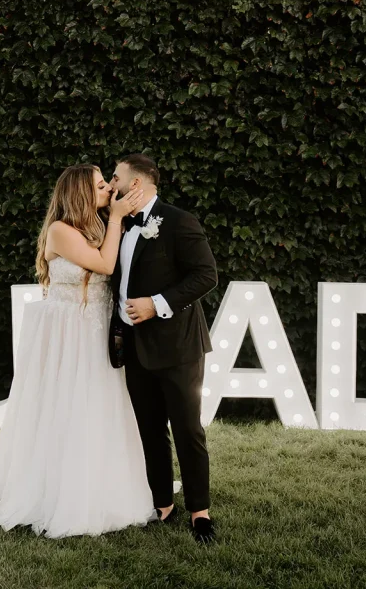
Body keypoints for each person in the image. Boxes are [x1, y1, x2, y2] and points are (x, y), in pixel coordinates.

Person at [0, 164, 154, 538]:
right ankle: (58, 490)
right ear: (80, 193)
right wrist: (117, 218)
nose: (109, 188)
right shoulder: (60, 230)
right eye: (100, 185)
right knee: (67, 407)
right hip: (68, 333)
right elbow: (105, 264)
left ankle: (105, 486)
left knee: (99, 405)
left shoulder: (97, 225)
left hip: (96, 329)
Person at [109, 153, 219, 544]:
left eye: (116, 177)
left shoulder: (178, 221)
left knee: (187, 429)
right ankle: (162, 503)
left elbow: (206, 275)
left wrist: (157, 304)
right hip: (134, 346)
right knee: (150, 430)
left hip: (178, 346)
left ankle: (200, 512)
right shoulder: (117, 224)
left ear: (136, 183)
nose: (111, 184)